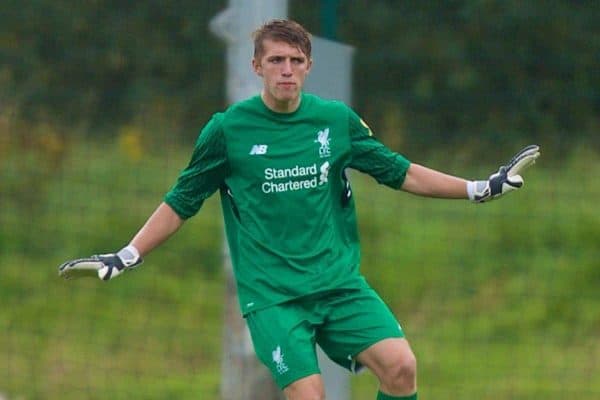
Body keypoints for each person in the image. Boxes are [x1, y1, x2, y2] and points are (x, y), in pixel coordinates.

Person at [59, 19, 539, 400]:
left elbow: (401, 172)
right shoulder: (228, 130)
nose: (285, 69)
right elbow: (182, 200)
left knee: (402, 367)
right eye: (275, 60)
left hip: (338, 285)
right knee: (309, 396)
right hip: (274, 298)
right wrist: (129, 254)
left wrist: (479, 187)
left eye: (295, 60)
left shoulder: (334, 121)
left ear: (308, 67)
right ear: (257, 66)